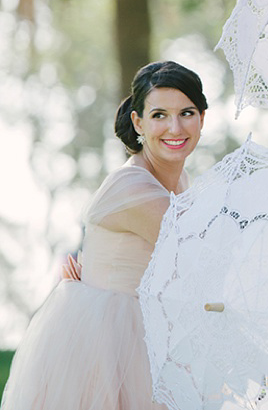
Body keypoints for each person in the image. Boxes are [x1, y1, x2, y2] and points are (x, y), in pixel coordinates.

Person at [1, 61, 208, 410]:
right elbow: (206, 253)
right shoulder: (132, 187)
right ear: (138, 122)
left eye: (186, 113)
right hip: (115, 346)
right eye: (159, 115)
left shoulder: (182, 184)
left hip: (154, 332)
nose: (175, 127)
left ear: (202, 118)